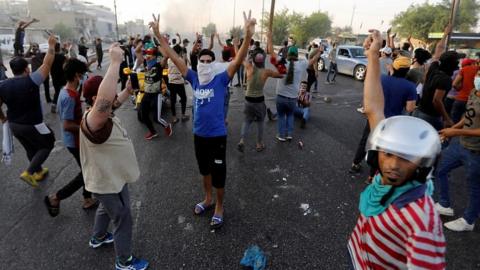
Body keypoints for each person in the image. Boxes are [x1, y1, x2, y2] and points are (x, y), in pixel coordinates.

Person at [348, 29, 445, 269]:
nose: (392, 164)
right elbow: (373, 107)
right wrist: (372, 55)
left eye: (405, 158)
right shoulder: (387, 179)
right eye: (388, 154)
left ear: (423, 165)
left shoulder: (422, 217)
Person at [150, 11, 256, 229]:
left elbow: (237, 61)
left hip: (217, 136)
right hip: (199, 135)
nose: (206, 63)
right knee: (204, 171)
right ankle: (207, 199)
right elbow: (174, 56)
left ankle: (219, 205)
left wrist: (246, 37)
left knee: (219, 173)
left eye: (209, 61)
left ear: (213, 63)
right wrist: (160, 36)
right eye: (203, 60)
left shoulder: (221, 79)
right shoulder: (194, 78)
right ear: (198, 62)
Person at [79, 44, 149, 270]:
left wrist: (128, 90)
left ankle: (98, 237)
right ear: (94, 98)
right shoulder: (93, 118)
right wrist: (115, 62)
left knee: (104, 208)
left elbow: (112, 103)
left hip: (112, 176)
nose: (110, 98)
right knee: (122, 217)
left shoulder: (102, 113)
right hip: (105, 181)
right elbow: (106, 102)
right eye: (104, 93)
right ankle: (124, 261)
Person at [348, 55, 417, 181]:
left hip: (374, 116)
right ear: (407, 71)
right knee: (382, 148)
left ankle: (355, 164)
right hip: (392, 122)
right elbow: (410, 108)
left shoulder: (382, 79)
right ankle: (371, 176)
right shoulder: (410, 86)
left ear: (393, 67)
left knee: (366, 140)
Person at [0, 35, 57, 187]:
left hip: (14, 125)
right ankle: (29, 172)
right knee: (48, 144)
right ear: (27, 68)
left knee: (30, 147)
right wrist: (51, 45)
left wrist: (3, 118)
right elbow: (48, 62)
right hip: (32, 124)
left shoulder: (3, 85)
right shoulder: (32, 80)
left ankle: (38, 172)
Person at [44, 59, 97, 217]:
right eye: (82, 75)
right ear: (76, 76)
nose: (83, 78)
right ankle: (56, 198)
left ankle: (87, 198)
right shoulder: (69, 96)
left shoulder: (67, 91)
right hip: (74, 141)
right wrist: (87, 126)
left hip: (76, 139)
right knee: (87, 172)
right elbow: (67, 125)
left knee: (88, 170)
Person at [435, 68, 480, 232]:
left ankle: (469, 220)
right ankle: (444, 204)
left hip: (476, 151)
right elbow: (467, 116)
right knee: (441, 170)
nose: (477, 77)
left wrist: (455, 132)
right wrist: (452, 129)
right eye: (479, 73)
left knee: (474, 187)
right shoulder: (475, 92)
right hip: (461, 144)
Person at [237, 32, 283, 153]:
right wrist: (278, 61)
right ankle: (259, 143)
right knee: (260, 122)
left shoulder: (249, 67)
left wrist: (236, 45)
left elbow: (239, 57)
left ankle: (242, 140)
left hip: (248, 100)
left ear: (253, 60)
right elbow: (281, 74)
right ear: (263, 60)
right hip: (259, 101)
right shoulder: (266, 72)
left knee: (247, 120)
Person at [271, 43, 321, 141]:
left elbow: (271, 52)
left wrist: (269, 37)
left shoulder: (282, 63)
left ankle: (281, 135)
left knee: (281, 116)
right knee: (290, 115)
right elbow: (313, 60)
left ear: (288, 55)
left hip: (281, 97)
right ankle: (289, 134)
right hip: (293, 99)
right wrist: (319, 51)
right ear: (297, 55)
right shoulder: (301, 65)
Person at [414, 25, 457, 130]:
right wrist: (446, 118)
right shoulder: (445, 79)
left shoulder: (434, 67)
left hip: (419, 111)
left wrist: (445, 34)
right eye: (457, 61)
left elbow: (438, 50)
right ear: (452, 64)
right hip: (430, 116)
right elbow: (437, 100)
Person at [134, 44, 173, 140]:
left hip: (157, 95)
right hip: (147, 94)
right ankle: (153, 132)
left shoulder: (159, 65)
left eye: (150, 54)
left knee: (157, 118)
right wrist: (142, 43)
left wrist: (158, 45)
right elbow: (137, 51)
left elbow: (166, 56)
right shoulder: (145, 63)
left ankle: (167, 126)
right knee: (143, 115)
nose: (147, 55)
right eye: (146, 54)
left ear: (155, 56)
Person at [451, 58, 479, 123]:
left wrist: (460, 90)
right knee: (467, 124)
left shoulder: (464, 69)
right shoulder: (478, 71)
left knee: (453, 122)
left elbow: (454, 84)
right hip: (474, 103)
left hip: (460, 99)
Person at [167, 45, 189, 123]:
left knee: (173, 100)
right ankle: (183, 115)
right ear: (180, 52)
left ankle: (174, 118)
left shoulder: (169, 59)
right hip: (179, 82)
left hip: (171, 82)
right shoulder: (181, 60)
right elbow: (184, 71)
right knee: (183, 98)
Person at [50, 42, 67, 113]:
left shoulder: (51, 57)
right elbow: (65, 67)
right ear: (59, 48)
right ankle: (64, 107)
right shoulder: (63, 57)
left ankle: (54, 105)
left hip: (54, 77)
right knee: (64, 92)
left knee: (57, 91)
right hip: (62, 77)